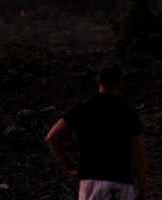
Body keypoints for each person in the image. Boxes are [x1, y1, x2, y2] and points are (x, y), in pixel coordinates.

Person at [45, 62, 148, 200]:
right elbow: (139, 155)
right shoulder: (128, 113)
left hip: (89, 182)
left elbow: (52, 138)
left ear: (98, 80)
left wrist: (71, 168)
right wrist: (142, 187)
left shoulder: (83, 108)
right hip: (119, 182)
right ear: (120, 83)